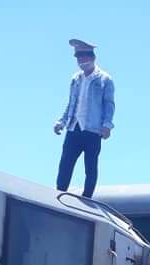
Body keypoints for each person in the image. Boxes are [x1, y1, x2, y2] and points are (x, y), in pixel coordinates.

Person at [54, 39, 115, 199]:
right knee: (66, 162)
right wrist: (62, 121)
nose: (81, 60)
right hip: (74, 127)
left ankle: (87, 196)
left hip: (93, 129)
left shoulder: (104, 79)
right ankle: (60, 192)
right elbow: (71, 103)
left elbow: (109, 104)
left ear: (91, 57)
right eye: (78, 57)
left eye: (83, 56)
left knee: (90, 165)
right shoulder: (76, 79)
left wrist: (107, 125)